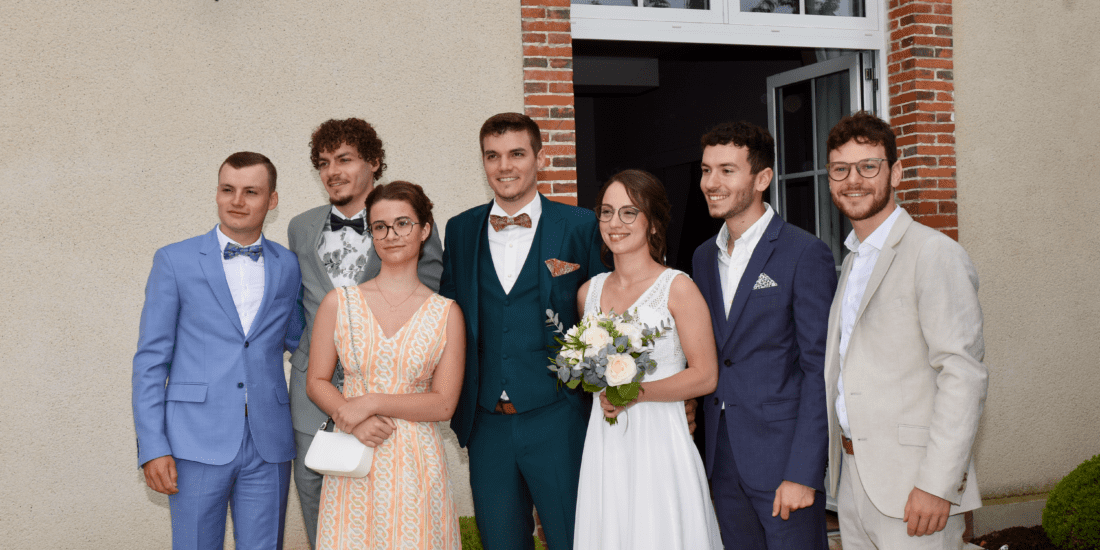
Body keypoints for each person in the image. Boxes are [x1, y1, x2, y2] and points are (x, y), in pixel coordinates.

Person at [439, 112, 606, 550]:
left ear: (539, 159)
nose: (504, 166)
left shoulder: (581, 224)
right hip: (487, 423)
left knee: (573, 538)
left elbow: (605, 310)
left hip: (559, 416)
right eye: (492, 156)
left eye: (516, 154)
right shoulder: (460, 229)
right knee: (500, 542)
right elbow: (448, 315)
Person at [823, 112, 987, 549]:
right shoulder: (854, 260)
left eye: (868, 166)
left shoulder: (933, 253)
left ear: (895, 172)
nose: (853, 180)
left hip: (914, 489)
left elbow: (963, 375)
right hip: (854, 484)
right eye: (840, 169)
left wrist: (937, 484)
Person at [132, 152, 302, 549]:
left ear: (272, 200)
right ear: (217, 194)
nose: (237, 201)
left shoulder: (289, 265)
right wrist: (153, 446)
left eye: (251, 192)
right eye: (228, 189)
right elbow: (151, 361)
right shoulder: (174, 260)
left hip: (269, 441)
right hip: (193, 440)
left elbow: (302, 343)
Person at [287, 118, 443, 548]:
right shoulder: (300, 227)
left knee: (384, 505)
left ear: (374, 162)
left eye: (344, 159)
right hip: (312, 393)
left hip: (384, 392)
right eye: (323, 163)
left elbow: (426, 308)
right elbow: (295, 305)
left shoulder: (407, 225)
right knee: (315, 498)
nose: (332, 171)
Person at [692, 121, 837, 550]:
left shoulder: (804, 253)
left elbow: (820, 370)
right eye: (706, 170)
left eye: (726, 171)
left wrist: (804, 472)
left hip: (783, 461)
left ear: (762, 179)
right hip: (722, 460)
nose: (711, 183)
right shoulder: (702, 257)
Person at [305, 181, 465, 549]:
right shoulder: (339, 303)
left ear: (424, 230)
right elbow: (316, 380)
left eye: (403, 223)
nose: (391, 235)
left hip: (416, 463)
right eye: (380, 226)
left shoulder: (446, 313)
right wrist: (352, 418)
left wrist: (371, 402)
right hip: (353, 455)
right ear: (371, 233)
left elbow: (443, 404)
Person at [573, 169, 723, 550]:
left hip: (661, 440)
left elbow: (705, 375)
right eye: (607, 212)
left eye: (629, 212)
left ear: (653, 224)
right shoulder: (588, 293)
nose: (615, 223)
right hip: (607, 441)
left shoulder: (678, 288)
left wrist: (636, 392)